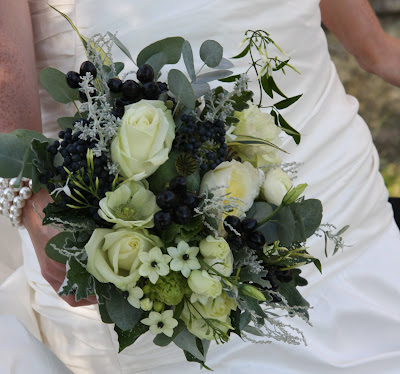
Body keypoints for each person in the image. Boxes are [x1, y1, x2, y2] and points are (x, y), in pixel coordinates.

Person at [1, 0, 400, 372]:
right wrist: (29, 197)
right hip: (158, 266)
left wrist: (377, 50)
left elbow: (372, 46)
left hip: (344, 191)